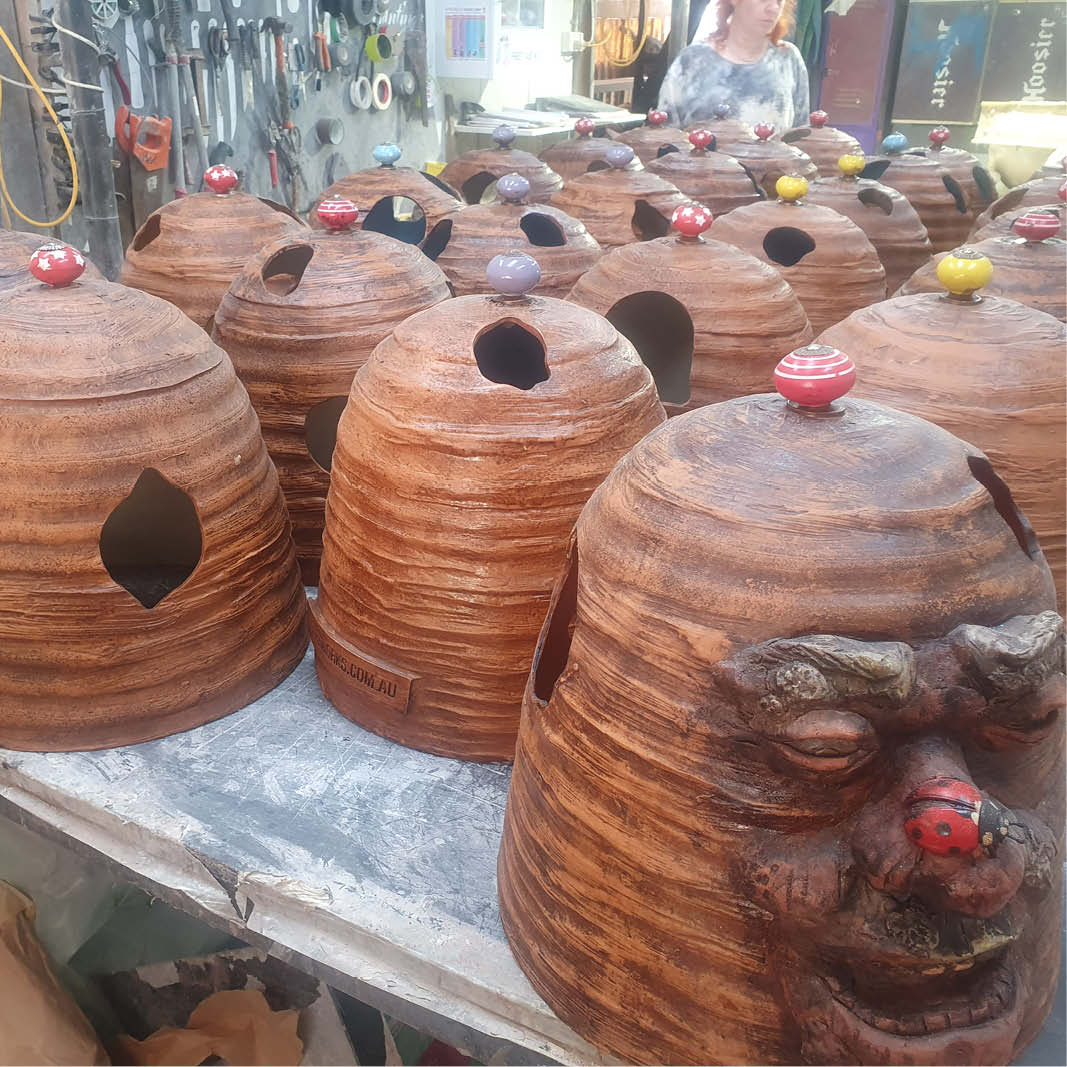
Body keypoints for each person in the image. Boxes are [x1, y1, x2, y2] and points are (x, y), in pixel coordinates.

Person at [657, 0, 810, 132]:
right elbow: (665, 138)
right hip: (703, 165)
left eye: (779, 1)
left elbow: (800, 136)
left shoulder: (788, 59)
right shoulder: (692, 61)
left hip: (775, 166)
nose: (774, 8)